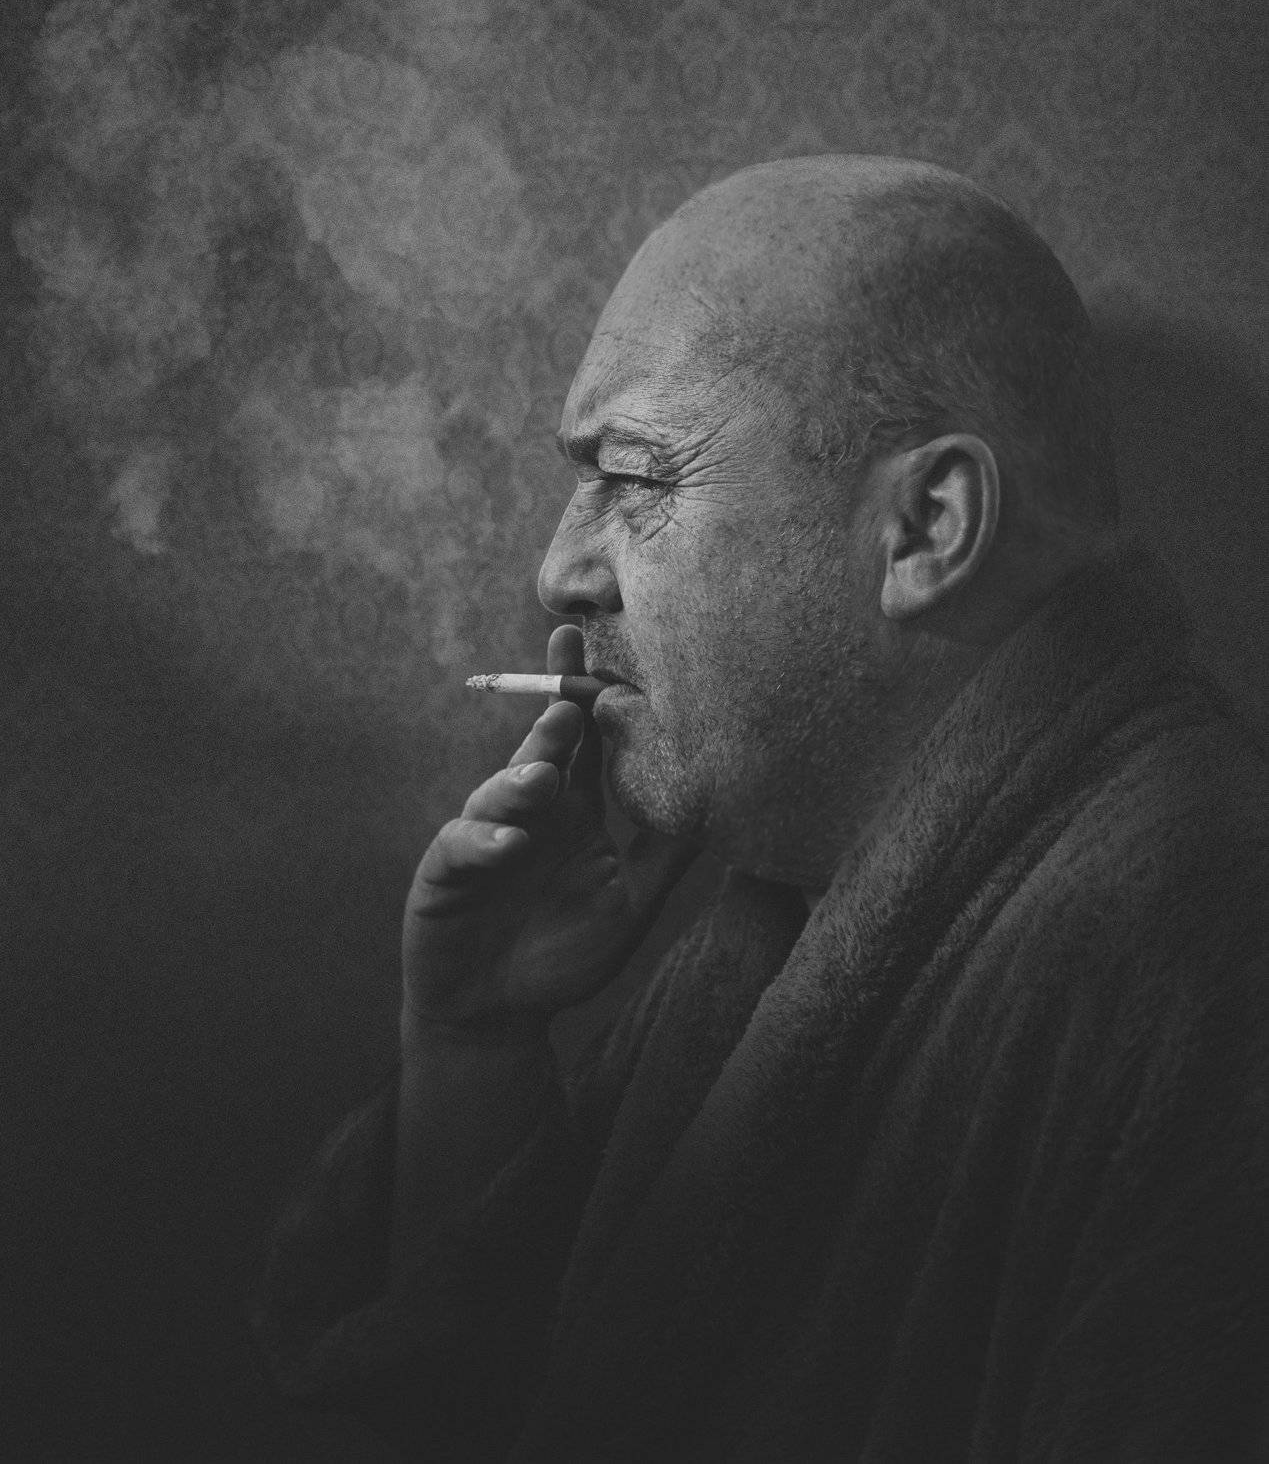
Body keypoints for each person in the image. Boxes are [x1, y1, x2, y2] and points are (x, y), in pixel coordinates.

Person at [253, 155, 1269, 1461]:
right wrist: (478, 1036)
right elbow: (500, 1406)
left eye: (634, 480)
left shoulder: (1206, 946)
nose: (559, 571)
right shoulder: (785, 905)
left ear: (926, 527)